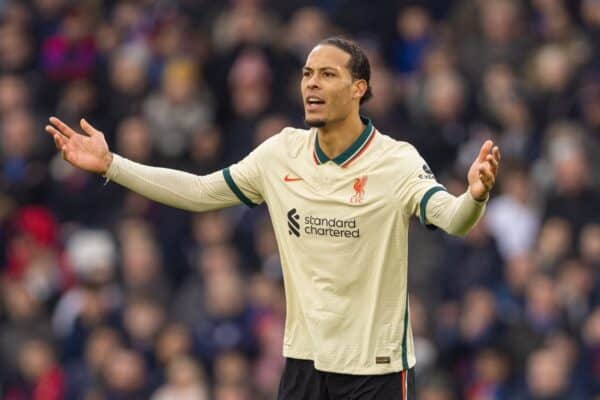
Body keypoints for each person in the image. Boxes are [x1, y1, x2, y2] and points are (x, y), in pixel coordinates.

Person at [45, 37, 501, 400]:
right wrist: (112, 165)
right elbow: (202, 192)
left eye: (327, 75)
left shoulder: (396, 162)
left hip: (375, 368)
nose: (311, 85)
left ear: (359, 88)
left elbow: (452, 218)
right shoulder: (281, 151)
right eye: (306, 75)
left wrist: (475, 195)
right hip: (304, 362)